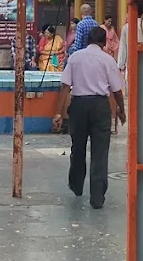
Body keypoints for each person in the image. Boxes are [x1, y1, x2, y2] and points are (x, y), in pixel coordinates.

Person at [53, 26, 125, 208]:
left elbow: (64, 86)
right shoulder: (107, 60)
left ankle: (76, 185)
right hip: (100, 106)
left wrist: (59, 112)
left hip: (78, 106)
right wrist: (121, 111)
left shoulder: (75, 57)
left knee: (78, 147)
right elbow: (116, 90)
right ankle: (97, 197)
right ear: (103, 42)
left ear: (87, 40)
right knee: (100, 152)